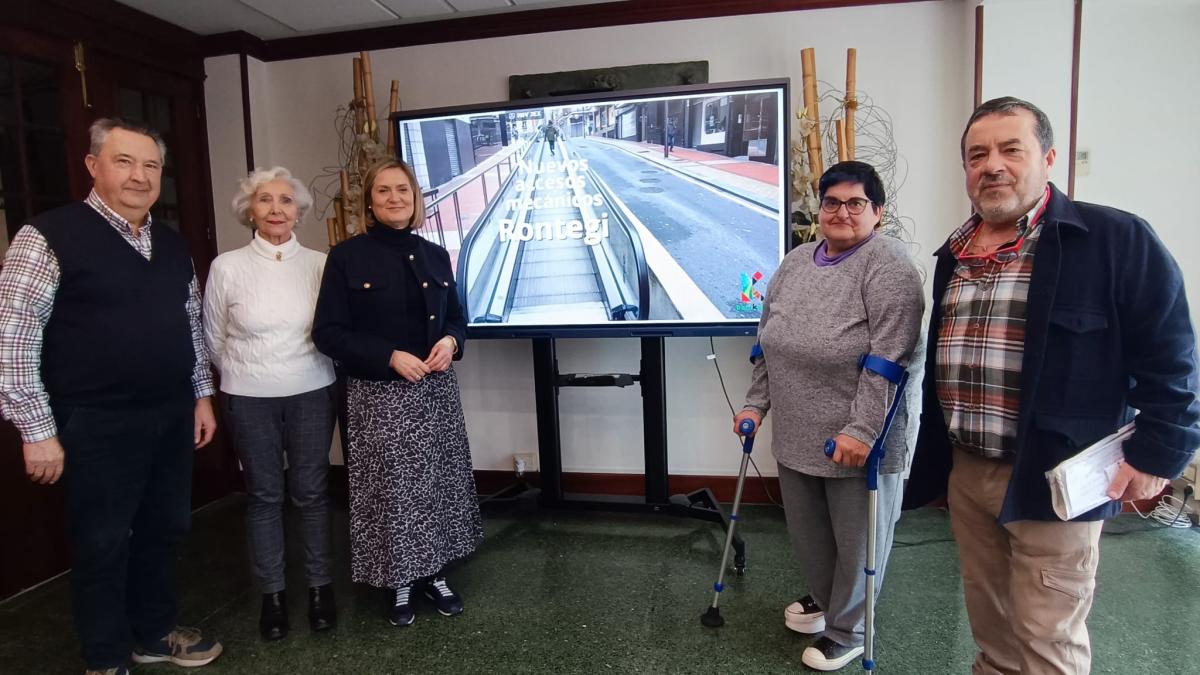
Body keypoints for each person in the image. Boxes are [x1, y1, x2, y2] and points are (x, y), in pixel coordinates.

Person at [905, 97, 1200, 675]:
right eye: (977, 154)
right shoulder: (955, 256)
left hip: (1054, 477)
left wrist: (1159, 453)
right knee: (990, 627)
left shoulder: (1114, 240)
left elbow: (1172, 357)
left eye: (1011, 149)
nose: (992, 165)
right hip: (970, 472)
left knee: (1047, 637)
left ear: (1048, 157)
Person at [0, 118, 223, 675]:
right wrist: (36, 431)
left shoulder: (171, 246)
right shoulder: (47, 236)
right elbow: (15, 335)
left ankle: (152, 633)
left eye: (150, 165)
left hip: (170, 415)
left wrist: (200, 397)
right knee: (102, 543)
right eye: (124, 161)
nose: (139, 176)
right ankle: (104, 657)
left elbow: (190, 325)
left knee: (165, 529)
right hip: (93, 422)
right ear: (93, 165)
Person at [735, 161, 924, 671]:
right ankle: (827, 602)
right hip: (797, 434)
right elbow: (766, 343)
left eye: (855, 203)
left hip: (858, 440)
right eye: (831, 202)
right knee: (812, 538)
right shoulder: (796, 262)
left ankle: (851, 629)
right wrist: (756, 403)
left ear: (877, 212)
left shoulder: (889, 268)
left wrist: (862, 430)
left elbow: (890, 360)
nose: (842, 212)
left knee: (858, 540)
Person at [313, 158, 480, 628]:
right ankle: (399, 580)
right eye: (383, 191)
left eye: (402, 190)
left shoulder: (434, 254)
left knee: (438, 486)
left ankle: (435, 574)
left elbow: (457, 319)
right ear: (369, 201)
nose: (394, 198)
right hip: (379, 394)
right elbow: (328, 333)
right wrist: (388, 355)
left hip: (435, 389)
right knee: (393, 491)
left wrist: (451, 342)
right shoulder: (346, 257)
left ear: (415, 198)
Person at [202, 167, 337, 641]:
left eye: (285, 200)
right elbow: (212, 340)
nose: (276, 209)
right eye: (265, 200)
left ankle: (321, 588)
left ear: (298, 211)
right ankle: (272, 595)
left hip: (312, 388)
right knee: (263, 496)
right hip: (249, 396)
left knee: (312, 493)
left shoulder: (322, 264)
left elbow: (333, 330)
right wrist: (249, 372)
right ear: (250, 211)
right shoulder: (227, 266)